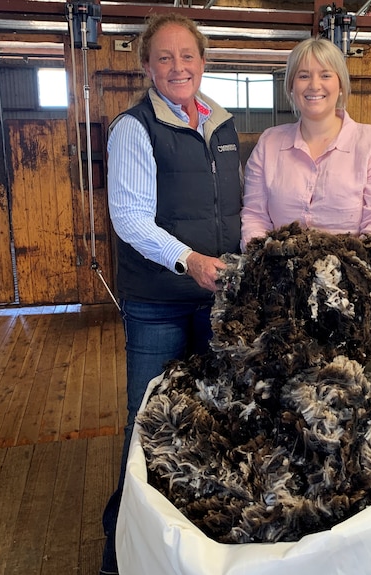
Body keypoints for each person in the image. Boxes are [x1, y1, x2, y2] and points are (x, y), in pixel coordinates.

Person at [100, 13, 241, 575]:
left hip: (217, 297)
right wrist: (190, 260)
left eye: (188, 56)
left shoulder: (225, 127)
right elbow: (130, 218)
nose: (178, 67)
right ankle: (121, 546)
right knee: (148, 415)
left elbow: (233, 210)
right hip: (158, 299)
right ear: (147, 66)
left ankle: (195, 541)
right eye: (165, 57)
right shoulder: (134, 128)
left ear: (203, 62)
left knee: (213, 412)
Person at [241, 37, 371, 360]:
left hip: (363, 295)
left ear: (341, 84)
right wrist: (267, 266)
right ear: (291, 87)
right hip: (287, 297)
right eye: (303, 75)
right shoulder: (270, 143)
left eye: (325, 74)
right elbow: (255, 216)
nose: (314, 84)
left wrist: (345, 271)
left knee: (364, 393)